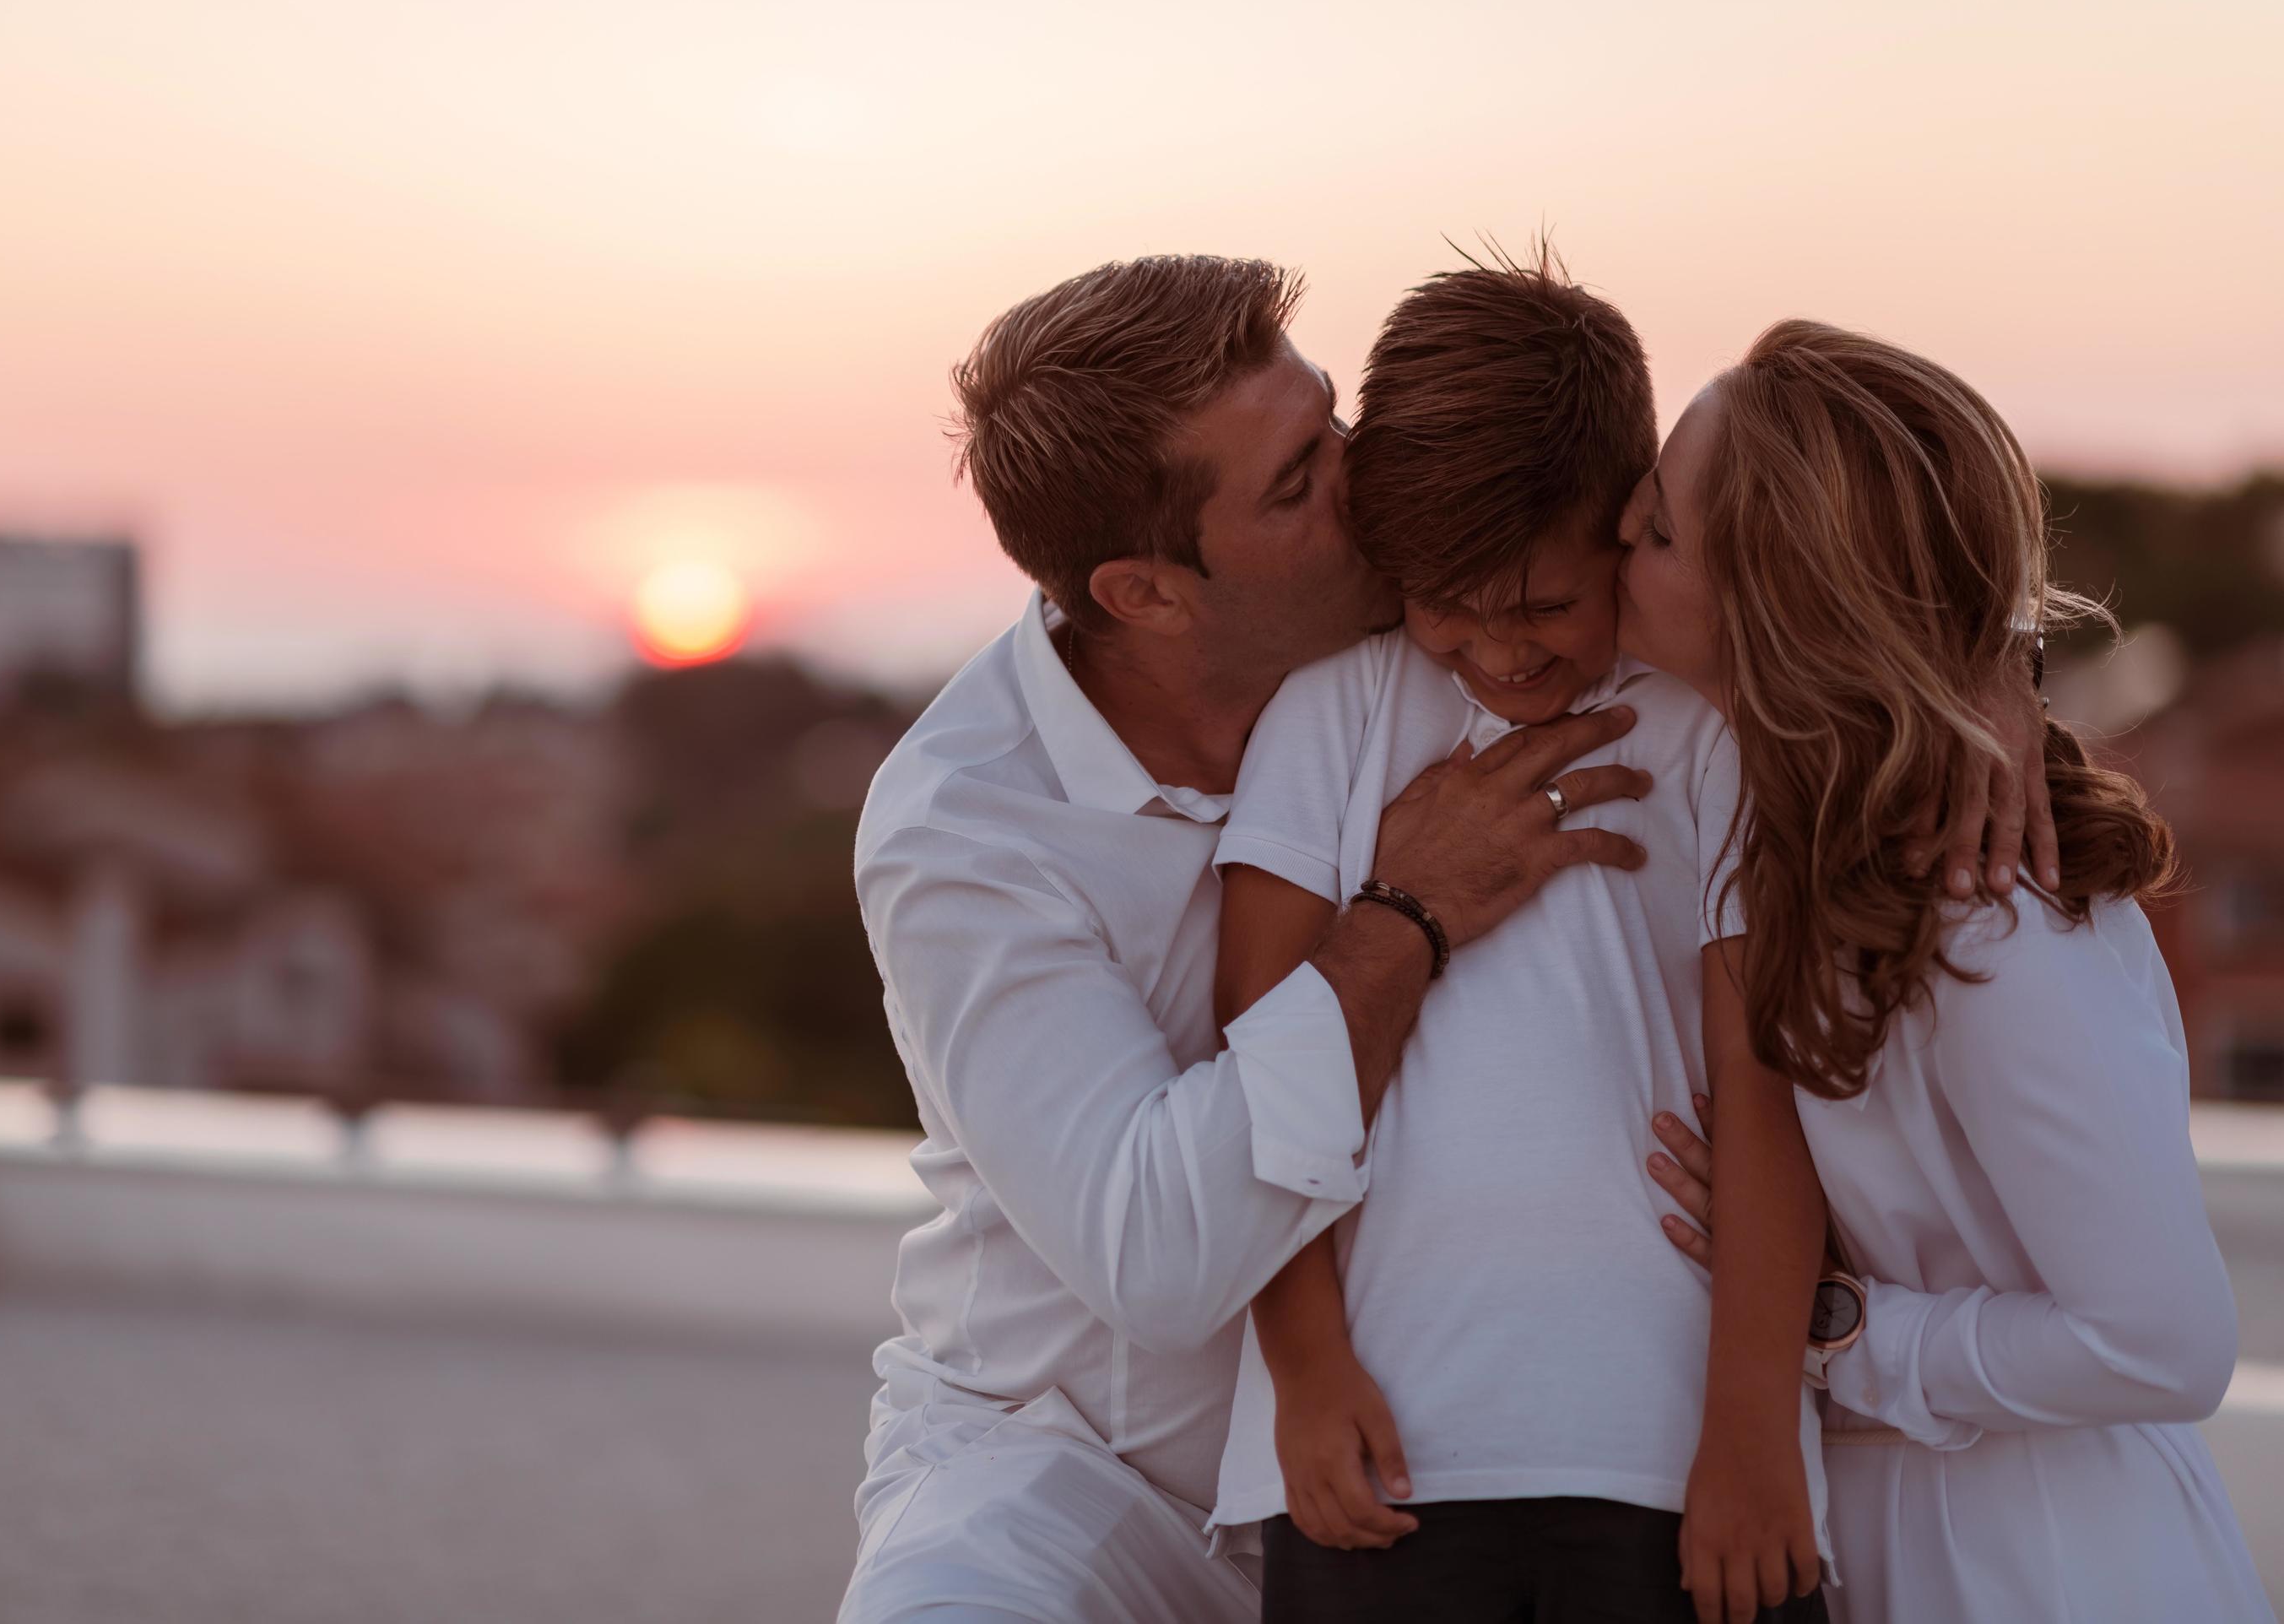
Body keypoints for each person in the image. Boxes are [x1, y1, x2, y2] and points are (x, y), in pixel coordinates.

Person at [839, 255, 1655, 1622]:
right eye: (1297, 480)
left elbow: (1737, 541)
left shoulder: (1450, 618)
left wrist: (2001, 701)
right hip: (1083, 1472)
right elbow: (1158, 1256)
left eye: (1330, 423)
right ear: (1148, 593)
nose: (1360, 473)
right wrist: (1405, 918)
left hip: (1429, 1453)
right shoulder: (967, 832)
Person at [1202, 248, 1848, 1624]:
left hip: (1670, 1449)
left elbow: (1763, 1081)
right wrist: (1305, 1378)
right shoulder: (1338, 712)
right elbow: (1257, 1052)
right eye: (1451, 608)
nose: (1500, 655)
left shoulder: (1709, 727)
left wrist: (1754, 1437)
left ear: (1628, 522)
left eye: (1546, 605)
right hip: (1380, 1450)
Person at [1623, 320, 2270, 1622]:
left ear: (1774, 599)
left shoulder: (1986, 916)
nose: (1609, 555)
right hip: (1897, 1532)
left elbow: (2164, 1340)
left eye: (1654, 535)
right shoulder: (1780, 835)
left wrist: (1835, 1333)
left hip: (2041, 1564)